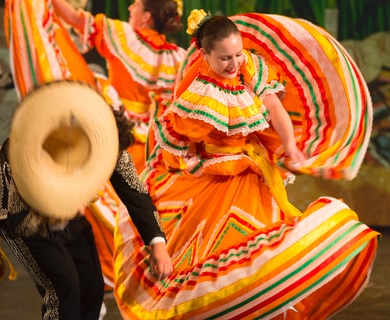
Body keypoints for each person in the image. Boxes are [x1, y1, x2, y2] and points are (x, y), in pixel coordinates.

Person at [112, 10, 381, 319]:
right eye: (225, 58)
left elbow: (274, 106)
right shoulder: (198, 89)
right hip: (215, 178)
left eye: (238, 53)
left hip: (254, 173)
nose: (234, 63)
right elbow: (178, 138)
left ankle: (272, 307)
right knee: (220, 256)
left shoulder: (249, 67)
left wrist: (290, 146)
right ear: (205, 54)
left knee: (268, 247)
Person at [0, 84, 172, 319]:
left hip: (64, 207)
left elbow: (135, 192)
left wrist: (157, 244)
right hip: (21, 206)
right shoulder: (48, 136)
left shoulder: (108, 142)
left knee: (90, 286)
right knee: (63, 286)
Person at [52, 0, 186, 174]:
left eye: (136, 4)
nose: (130, 8)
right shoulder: (175, 57)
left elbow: (74, 18)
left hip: (112, 125)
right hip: (148, 144)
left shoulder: (124, 35)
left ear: (146, 17)